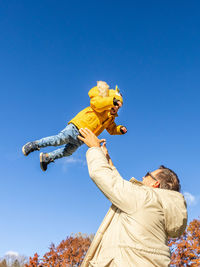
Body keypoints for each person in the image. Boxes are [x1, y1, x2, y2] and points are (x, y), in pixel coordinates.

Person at [78, 128, 188, 267]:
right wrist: (109, 163)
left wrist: (94, 148)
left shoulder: (145, 198)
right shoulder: (159, 206)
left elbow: (106, 179)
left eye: (147, 174)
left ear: (155, 183)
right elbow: (124, 194)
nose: (142, 177)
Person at [22, 81, 127, 171]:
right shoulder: (100, 106)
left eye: (119, 107)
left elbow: (112, 129)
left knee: (68, 152)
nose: (117, 108)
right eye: (116, 104)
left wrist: (119, 129)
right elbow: (97, 104)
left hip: (83, 138)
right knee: (59, 140)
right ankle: (35, 144)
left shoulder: (110, 119)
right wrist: (110, 101)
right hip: (76, 127)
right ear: (110, 100)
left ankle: (47, 157)